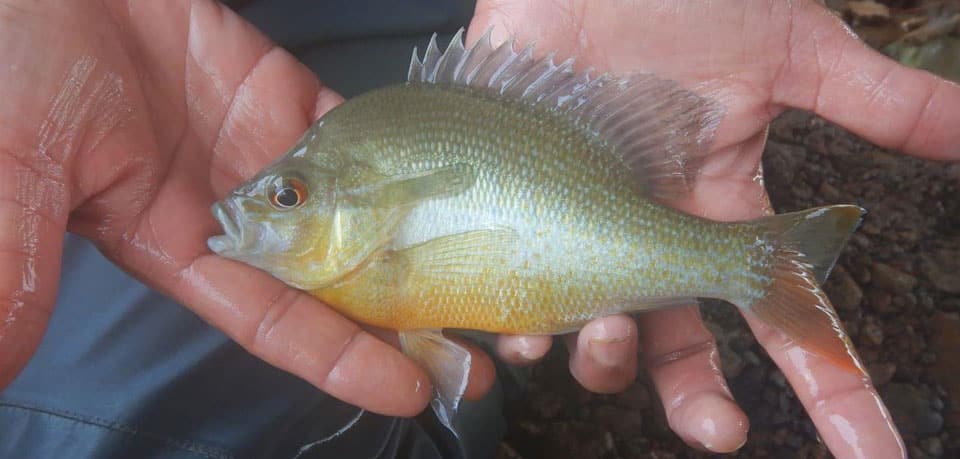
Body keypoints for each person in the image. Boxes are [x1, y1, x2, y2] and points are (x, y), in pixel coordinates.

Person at [1, 0, 957, 457]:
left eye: (287, 197)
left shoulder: (368, 231)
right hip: (190, 68)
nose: (259, 209)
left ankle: (747, 267)